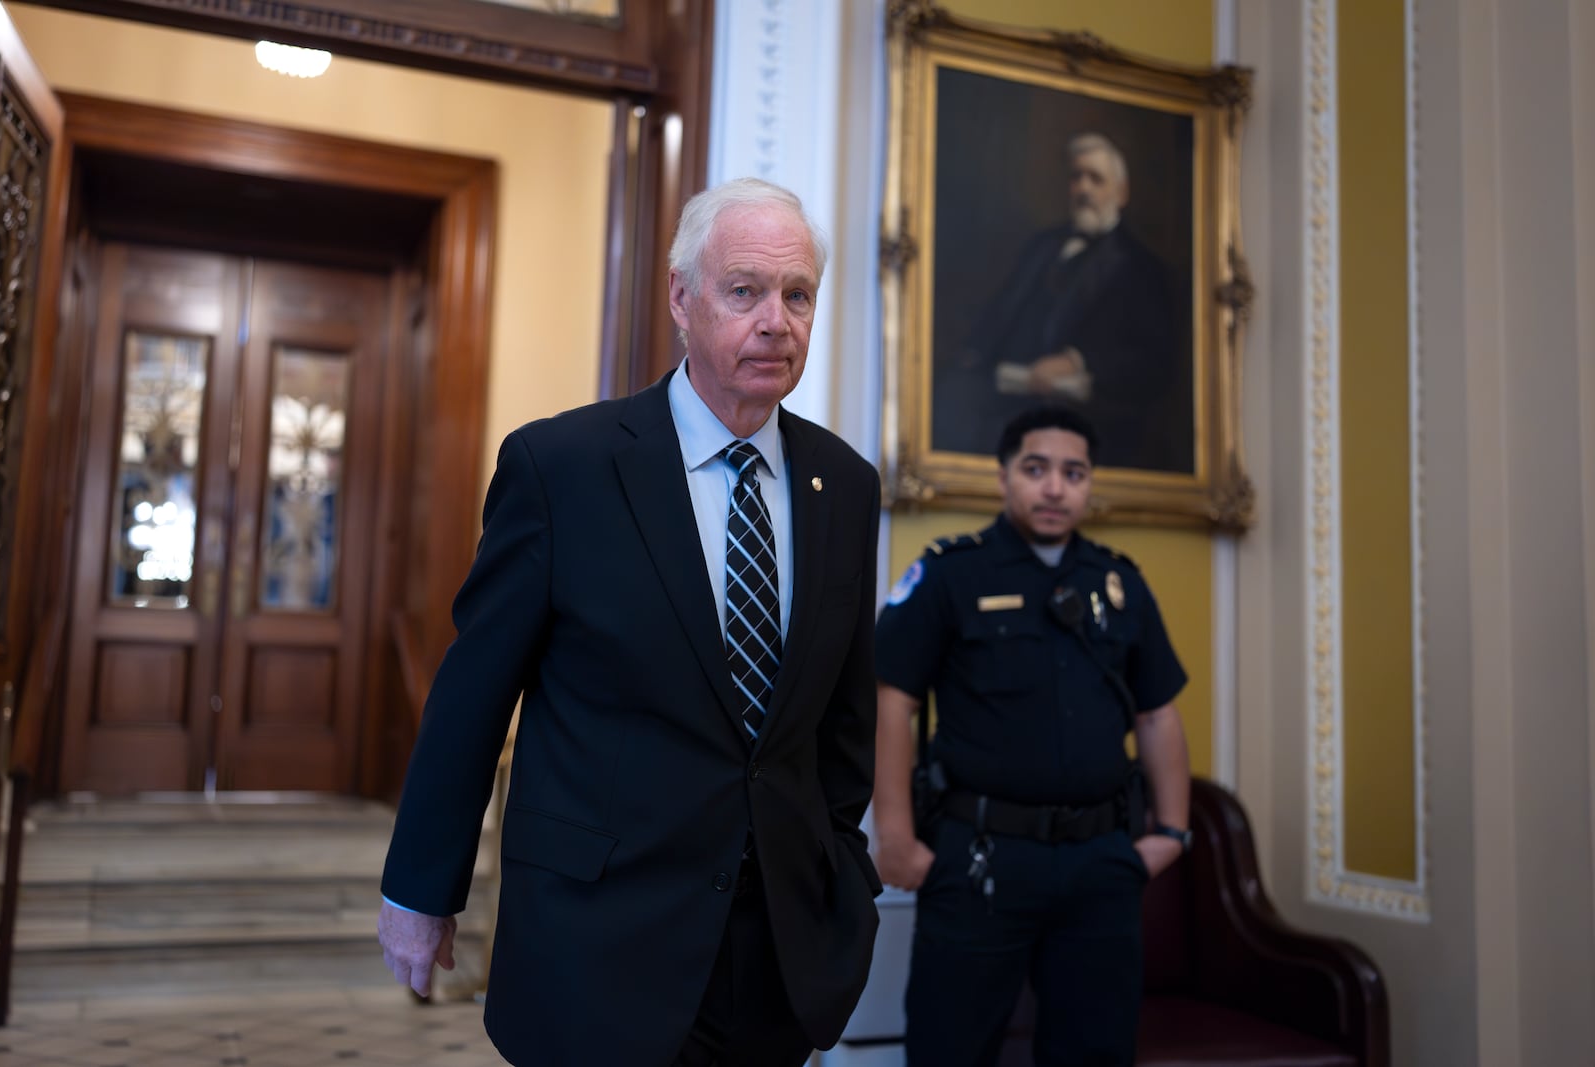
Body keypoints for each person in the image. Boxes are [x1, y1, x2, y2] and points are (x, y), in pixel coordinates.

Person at [378, 177, 884, 1067]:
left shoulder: (843, 485)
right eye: (745, 290)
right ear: (683, 299)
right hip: (598, 944)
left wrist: (846, 880)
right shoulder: (561, 467)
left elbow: (844, 725)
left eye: (796, 294)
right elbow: (473, 696)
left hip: (774, 958)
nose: (777, 319)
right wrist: (422, 889)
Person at [872, 405, 1192, 1066]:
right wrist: (896, 840)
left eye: (1073, 473)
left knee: (1095, 1051)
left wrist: (1172, 832)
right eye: (1036, 469)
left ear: (1089, 483)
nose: (1054, 487)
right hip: (980, 858)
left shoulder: (1120, 584)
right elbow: (890, 702)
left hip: (1100, 860)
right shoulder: (952, 574)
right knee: (949, 1048)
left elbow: (1157, 713)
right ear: (1003, 478)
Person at [935, 132, 1190, 473]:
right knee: (950, 399)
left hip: (1088, 413)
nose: (1084, 189)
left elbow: (1154, 365)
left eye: (1096, 179)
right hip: (1009, 390)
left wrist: (1077, 361)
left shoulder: (1141, 267)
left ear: (1121, 191)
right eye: (1076, 177)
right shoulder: (1042, 247)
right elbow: (1000, 316)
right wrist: (972, 356)